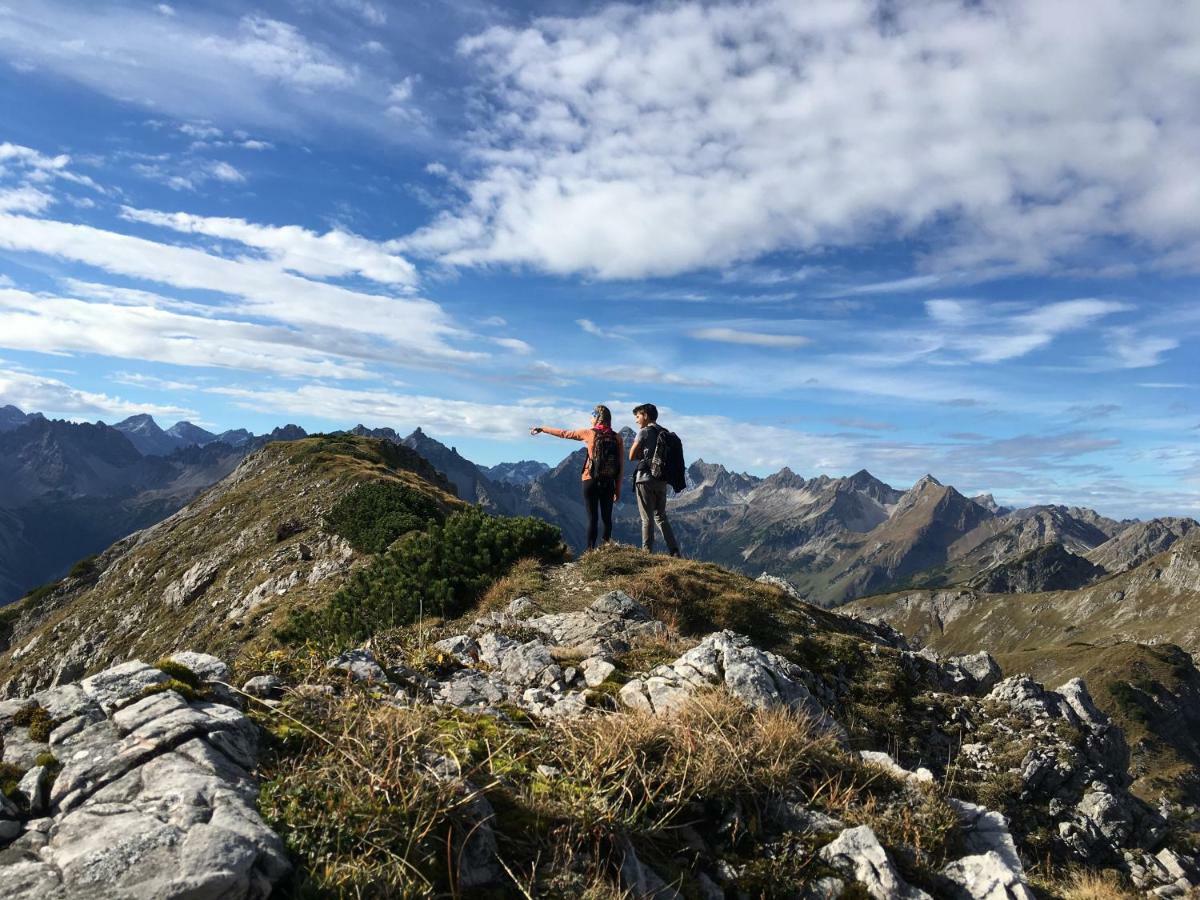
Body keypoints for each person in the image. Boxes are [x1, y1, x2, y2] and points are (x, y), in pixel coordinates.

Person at [530, 405, 623, 550]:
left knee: (593, 518)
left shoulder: (589, 433)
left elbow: (564, 433)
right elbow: (620, 466)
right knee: (607, 519)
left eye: (592, 415)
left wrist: (543, 428)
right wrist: (617, 489)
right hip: (608, 482)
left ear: (597, 417)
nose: (590, 418)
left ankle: (590, 552)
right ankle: (606, 550)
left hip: (590, 479)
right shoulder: (617, 438)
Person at [628, 403, 681, 557]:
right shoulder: (665, 432)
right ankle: (674, 550)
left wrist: (642, 456)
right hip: (662, 480)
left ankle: (646, 553)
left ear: (645, 415)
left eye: (637, 417)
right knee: (661, 516)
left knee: (647, 518)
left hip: (644, 479)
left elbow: (631, 456)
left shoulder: (644, 432)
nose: (636, 421)